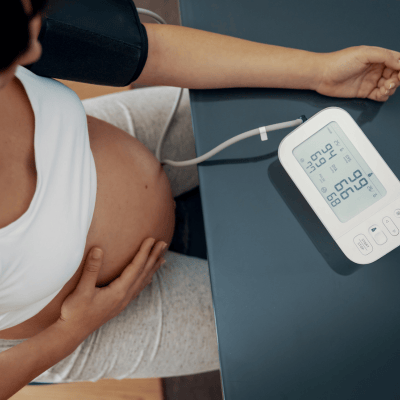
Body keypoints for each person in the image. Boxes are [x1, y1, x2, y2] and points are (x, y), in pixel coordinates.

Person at [1, 0, 400, 398]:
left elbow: (152, 52)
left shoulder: (19, 25)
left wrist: (320, 72)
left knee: (295, 105)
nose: (36, 52)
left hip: (105, 145)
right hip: (75, 320)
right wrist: (70, 333)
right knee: (330, 334)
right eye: (12, 62)